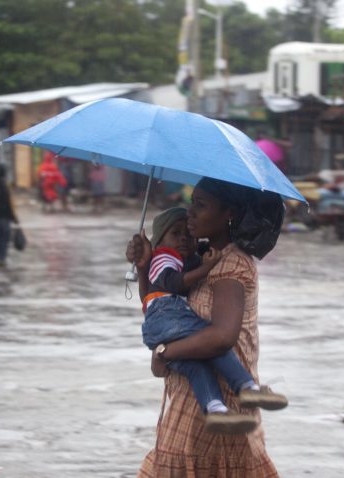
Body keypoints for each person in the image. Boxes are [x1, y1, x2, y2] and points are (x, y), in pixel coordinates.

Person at [127, 177, 282, 477]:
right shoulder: (197, 262)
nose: (190, 214)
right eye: (190, 204)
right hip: (191, 406)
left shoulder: (229, 265)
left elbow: (222, 338)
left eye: (201, 205)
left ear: (229, 213)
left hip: (215, 413)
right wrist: (146, 265)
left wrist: (164, 351)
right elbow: (159, 307)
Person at [140, 207, 287, 434]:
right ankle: (246, 386)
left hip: (163, 323)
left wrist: (162, 352)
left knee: (197, 368)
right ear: (159, 242)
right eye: (176, 233)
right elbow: (172, 284)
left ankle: (215, 410)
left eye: (187, 234)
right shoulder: (163, 258)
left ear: (227, 212)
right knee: (208, 341)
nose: (184, 237)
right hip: (167, 314)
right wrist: (206, 266)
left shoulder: (225, 262)